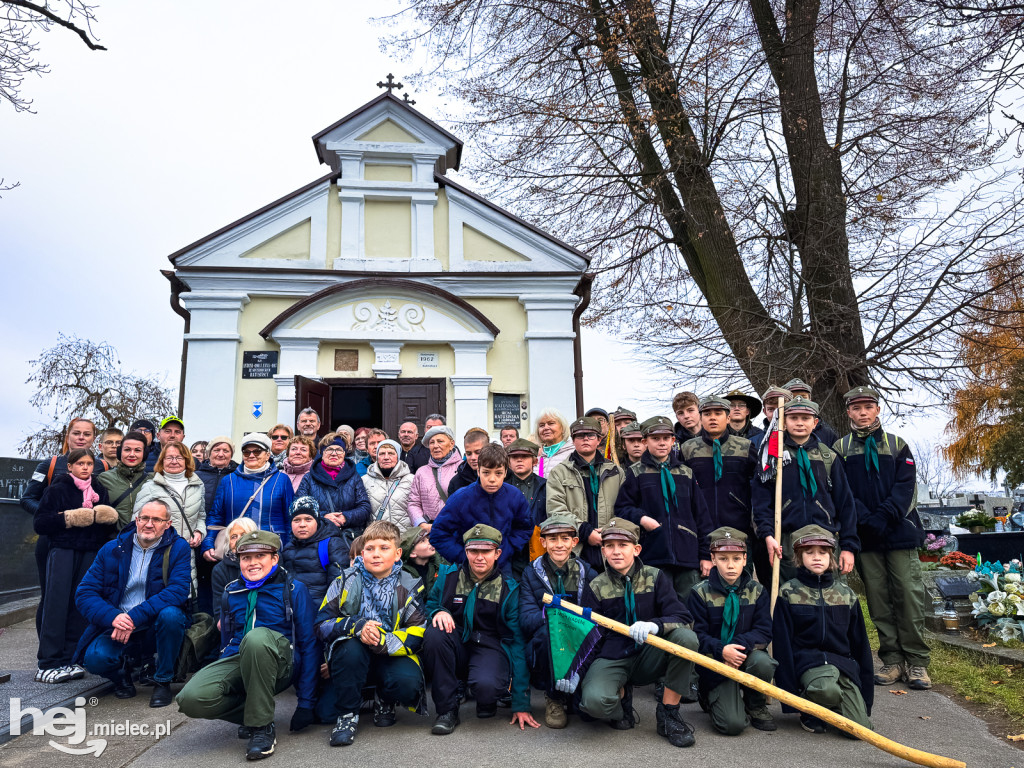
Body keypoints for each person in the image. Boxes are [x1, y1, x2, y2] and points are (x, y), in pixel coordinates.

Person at [176, 530, 318, 761]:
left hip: (281, 663)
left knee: (256, 638)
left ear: (274, 558)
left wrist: (306, 703)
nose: (252, 563)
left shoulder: (293, 589)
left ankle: (262, 728)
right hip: (240, 656)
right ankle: (256, 713)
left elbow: (309, 644)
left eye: (260, 556)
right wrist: (223, 675)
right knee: (191, 698)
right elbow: (227, 641)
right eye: (246, 558)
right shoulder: (231, 590)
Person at [833, 386, 930, 690]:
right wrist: (864, 518)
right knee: (878, 600)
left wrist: (884, 515)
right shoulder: (840, 448)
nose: (862, 413)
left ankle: (916, 661)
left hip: (899, 531)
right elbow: (841, 489)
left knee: (908, 596)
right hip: (866, 536)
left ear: (877, 410)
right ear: (848, 412)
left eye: (868, 407)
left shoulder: (897, 445)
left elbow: (905, 487)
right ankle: (892, 659)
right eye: (856, 408)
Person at [577, 518, 698, 747]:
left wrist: (655, 625)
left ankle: (669, 713)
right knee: (594, 703)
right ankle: (622, 696)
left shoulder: (656, 577)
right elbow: (590, 638)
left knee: (686, 639)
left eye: (623, 545)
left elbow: (683, 619)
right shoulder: (596, 586)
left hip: (650, 653)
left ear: (637, 549)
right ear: (603, 551)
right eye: (610, 546)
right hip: (613, 657)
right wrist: (581, 677)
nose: (616, 551)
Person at [316, 520, 427, 746]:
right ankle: (347, 714)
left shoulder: (410, 584)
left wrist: (381, 640)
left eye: (384, 548)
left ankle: (384, 698)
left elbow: (418, 631)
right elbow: (322, 624)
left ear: (397, 554)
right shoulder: (344, 580)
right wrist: (356, 626)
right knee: (325, 713)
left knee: (408, 684)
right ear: (362, 553)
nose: (376, 554)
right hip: (352, 655)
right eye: (370, 548)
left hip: (390, 653)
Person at [422, 524, 538, 735]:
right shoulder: (448, 576)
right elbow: (430, 605)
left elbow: (517, 643)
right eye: (473, 551)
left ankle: (486, 696)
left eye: (486, 551)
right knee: (434, 634)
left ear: (497, 554)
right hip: (456, 644)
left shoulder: (509, 588)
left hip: (489, 647)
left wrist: (521, 703)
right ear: (466, 552)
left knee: (487, 688)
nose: (479, 557)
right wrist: (437, 611)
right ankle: (447, 710)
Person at [74, 499, 192, 707]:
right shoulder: (112, 549)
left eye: (157, 520)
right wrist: (114, 617)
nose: (149, 524)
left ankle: (163, 681)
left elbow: (178, 590)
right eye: (144, 518)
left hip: (153, 622)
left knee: (172, 615)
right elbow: (85, 593)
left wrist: (133, 617)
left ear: (168, 524)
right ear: (136, 520)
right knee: (94, 659)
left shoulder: (178, 547)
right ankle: (122, 677)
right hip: (118, 622)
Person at [772, 525, 873, 734]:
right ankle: (809, 709)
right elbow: (782, 645)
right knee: (826, 690)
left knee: (859, 730)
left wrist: (866, 698)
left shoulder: (846, 594)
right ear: (799, 557)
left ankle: (829, 708)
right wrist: (791, 699)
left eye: (823, 553)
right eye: (809, 552)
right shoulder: (789, 592)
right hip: (808, 664)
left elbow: (860, 644)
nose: (817, 557)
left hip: (843, 666)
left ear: (831, 557)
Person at [751, 396, 859, 583]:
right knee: (789, 594)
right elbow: (761, 502)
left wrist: (848, 547)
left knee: (828, 593)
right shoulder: (772, 457)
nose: (800, 423)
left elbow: (846, 504)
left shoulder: (828, 457)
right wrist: (768, 535)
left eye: (805, 418)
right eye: (794, 418)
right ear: (784, 422)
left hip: (825, 539)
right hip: (786, 540)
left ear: (815, 422)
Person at [33, 448, 118, 682]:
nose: (85, 467)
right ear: (70, 466)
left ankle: (70, 659)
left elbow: (108, 528)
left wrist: (106, 517)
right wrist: (68, 518)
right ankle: (48, 662)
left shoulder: (99, 489)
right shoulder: (57, 488)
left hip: (90, 551)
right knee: (56, 604)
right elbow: (40, 523)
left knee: (79, 605)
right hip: (63, 550)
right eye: (80, 463)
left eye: (89, 464)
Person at [20, 417, 108, 637]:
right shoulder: (49, 465)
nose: (81, 438)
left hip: (88, 544)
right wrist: (56, 515)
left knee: (82, 595)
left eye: (87, 434)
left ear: (94, 438)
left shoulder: (103, 466)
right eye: (76, 433)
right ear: (68, 436)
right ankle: (47, 648)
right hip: (53, 541)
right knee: (51, 596)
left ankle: (73, 648)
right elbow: (27, 499)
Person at [687, 527, 776, 735]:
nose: (730, 565)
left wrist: (736, 647)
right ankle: (709, 694)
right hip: (715, 662)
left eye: (736, 558)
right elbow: (697, 635)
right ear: (713, 559)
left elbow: (764, 631)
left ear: (745, 559)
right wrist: (722, 650)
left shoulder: (757, 591)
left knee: (763, 662)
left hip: (745, 655)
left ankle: (755, 704)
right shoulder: (699, 593)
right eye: (723, 558)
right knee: (732, 725)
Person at [616, 416, 713, 603]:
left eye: (666, 438)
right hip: (653, 554)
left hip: (687, 556)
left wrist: (705, 555)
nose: (661, 443)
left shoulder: (686, 473)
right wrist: (642, 518)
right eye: (655, 438)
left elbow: (701, 515)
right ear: (645, 441)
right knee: (659, 605)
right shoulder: (636, 473)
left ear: (673, 440)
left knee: (690, 606)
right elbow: (622, 508)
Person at [518, 514, 596, 729]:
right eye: (552, 539)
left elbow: (597, 622)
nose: (559, 545)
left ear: (575, 542)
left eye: (565, 538)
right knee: (546, 634)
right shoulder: (531, 573)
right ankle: (554, 697)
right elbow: (526, 620)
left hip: (578, 641)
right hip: (547, 644)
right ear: (543, 542)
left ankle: (577, 686)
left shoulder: (587, 573)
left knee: (589, 713)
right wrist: (548, 614)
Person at [430, 443, 534, 574]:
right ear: (478, 471)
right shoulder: (461, 498)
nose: (492, 479)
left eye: (498, 473)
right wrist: (464, 557)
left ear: (505, 472)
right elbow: (438, 533)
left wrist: (507, 550)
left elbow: (524, 528)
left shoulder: (515, 496)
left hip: (501, 566)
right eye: (486, 472)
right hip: (467, 569)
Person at [546, 416, 625, 570]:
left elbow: (625, 508)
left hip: (611, 548)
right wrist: (585, 531)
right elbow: (555, 510)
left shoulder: (616, 472)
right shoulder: (559, 473)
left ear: (599, 439)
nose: (585, 439)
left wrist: (609, 531)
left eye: (590, 435)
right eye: (580, 436)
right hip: (575, 551)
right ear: (573, 440)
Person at [202, 434, 295, 559]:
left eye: (257, 451)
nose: (251, 455)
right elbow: (216, 516)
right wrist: (208, 543)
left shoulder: (281, 480)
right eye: (246, 452)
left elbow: (290, 518)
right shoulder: (228, 481)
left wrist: (289, 548)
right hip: (236, 550)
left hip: (272, 549)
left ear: (268, 455)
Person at [678, 396, 759, 541]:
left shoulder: (745, 447)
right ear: (701, 418)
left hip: (739, 527)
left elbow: (758, 487)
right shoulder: (687, 449)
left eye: (718, 413)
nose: (712, 418)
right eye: (707, 414)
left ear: (728, 418)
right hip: (700, 528)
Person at [134, 442, 206, 587]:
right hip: (158, 553)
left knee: (184, 592)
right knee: (159, 592)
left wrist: (199, 532)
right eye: (169, 458)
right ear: (162, 461)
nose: (174, 461)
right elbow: (136, 522)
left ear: (187, 460)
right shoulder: (150, 487)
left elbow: (201, 516)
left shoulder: (198, 486)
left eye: (179, 458)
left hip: (187, 552)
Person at [296, 436, 371, 549]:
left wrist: (345, 517)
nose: (334, 453)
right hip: (317, 538)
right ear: (322, 453)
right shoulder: (309, 478)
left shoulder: (354, 477)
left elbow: (364, 507)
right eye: (329, 449)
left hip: (348, 540)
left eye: (339, 450)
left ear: (344, 453)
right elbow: (300, 507)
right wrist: (323, 517)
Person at [280, 496, 348, 606]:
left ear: (317, 521)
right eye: (296, 520)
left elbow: (338, 589)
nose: (302, 524)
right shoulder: (288, 548)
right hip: (293, 610)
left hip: (321, 610)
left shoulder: (332, 545)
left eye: (308, 519)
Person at [407, 426, 462, 532]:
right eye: (432, 442)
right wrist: (422, 524)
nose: (435, 446)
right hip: (429, 531)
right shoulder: (421, 472)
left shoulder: (462, 468)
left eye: (440, 441)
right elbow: (413, 502)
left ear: (451, 444)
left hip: (455, 529)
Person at [99, 430, 152, 529]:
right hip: (113, 536)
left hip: (144, 536)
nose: (132, 454)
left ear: (144, 454)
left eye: (137, 450)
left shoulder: (151, 480)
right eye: (127, 450)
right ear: (120, 452)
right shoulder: (104, 478)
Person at [210, 517, 260, 622]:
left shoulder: (267, 562)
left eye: (244, 535)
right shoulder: (220, 570)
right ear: (229, 543)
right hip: (234, 621)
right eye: (233, 537)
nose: (238, 540)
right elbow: (219, 611)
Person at [362, 439, 414, 532]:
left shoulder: (411, 480)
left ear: (398, 456)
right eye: (382, 454)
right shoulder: (365, 480)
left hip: (406, 537)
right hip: (377, 536)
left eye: (391, 453)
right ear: (377, 457)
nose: (386, 457)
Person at [783, 378, 841, 447]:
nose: (799, 401)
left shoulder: (826, 433)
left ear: (810, 400)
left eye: (803, 397)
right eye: (793, 397)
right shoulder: (775, 432)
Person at [505, 438, 547, 529]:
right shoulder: (502, 487)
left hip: (538, 535)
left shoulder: (545, 486)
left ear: (535, 461)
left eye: (524, 456)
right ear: (509, 463)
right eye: (514, 457)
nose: (519, 460)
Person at [446, 427, 490, 496]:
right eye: (469, 453)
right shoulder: (456, 482)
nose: (473, 458)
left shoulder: (502, 476)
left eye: (478, 452)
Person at [401, 526, 442, 595]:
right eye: (423, 541)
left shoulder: (442, 562)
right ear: (412, 553)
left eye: (427, 538)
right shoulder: (404, 576)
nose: (429, 541)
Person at [532, 409, 573, 477]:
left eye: (551, 423)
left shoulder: (573, 453)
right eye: (542, 425)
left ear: (562, 427)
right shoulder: (537, 458)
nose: (546, 428)